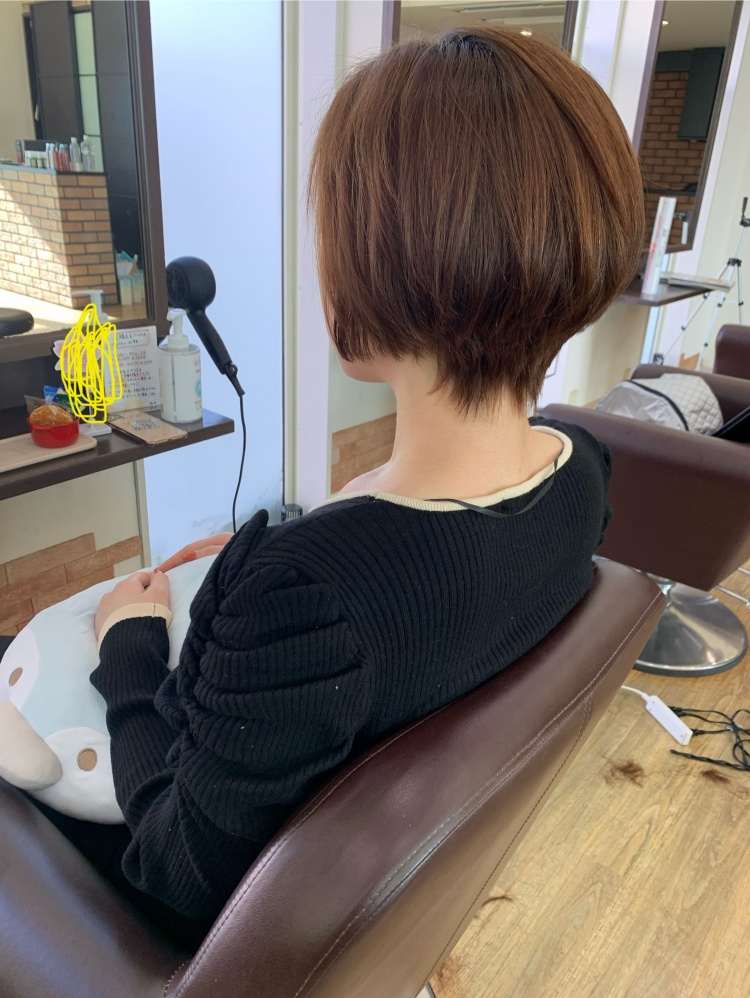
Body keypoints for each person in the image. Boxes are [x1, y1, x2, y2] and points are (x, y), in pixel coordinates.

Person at [40, 25, 644, 948]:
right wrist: (263, 564)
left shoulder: (305, 598)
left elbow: (175, 872)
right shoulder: (581, 470)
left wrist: (127, 649)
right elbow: (425, 575)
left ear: (380, 257)